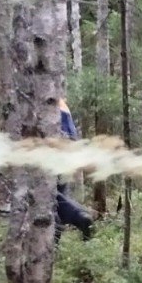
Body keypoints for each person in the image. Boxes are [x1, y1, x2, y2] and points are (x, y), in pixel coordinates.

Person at [56, 98, 93, 241]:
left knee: (45, 197)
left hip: (53, 146)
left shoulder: (32, 91)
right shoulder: (56, 98)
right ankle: (80, 216)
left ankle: (79, 216)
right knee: (58, 195)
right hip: (68, 145)